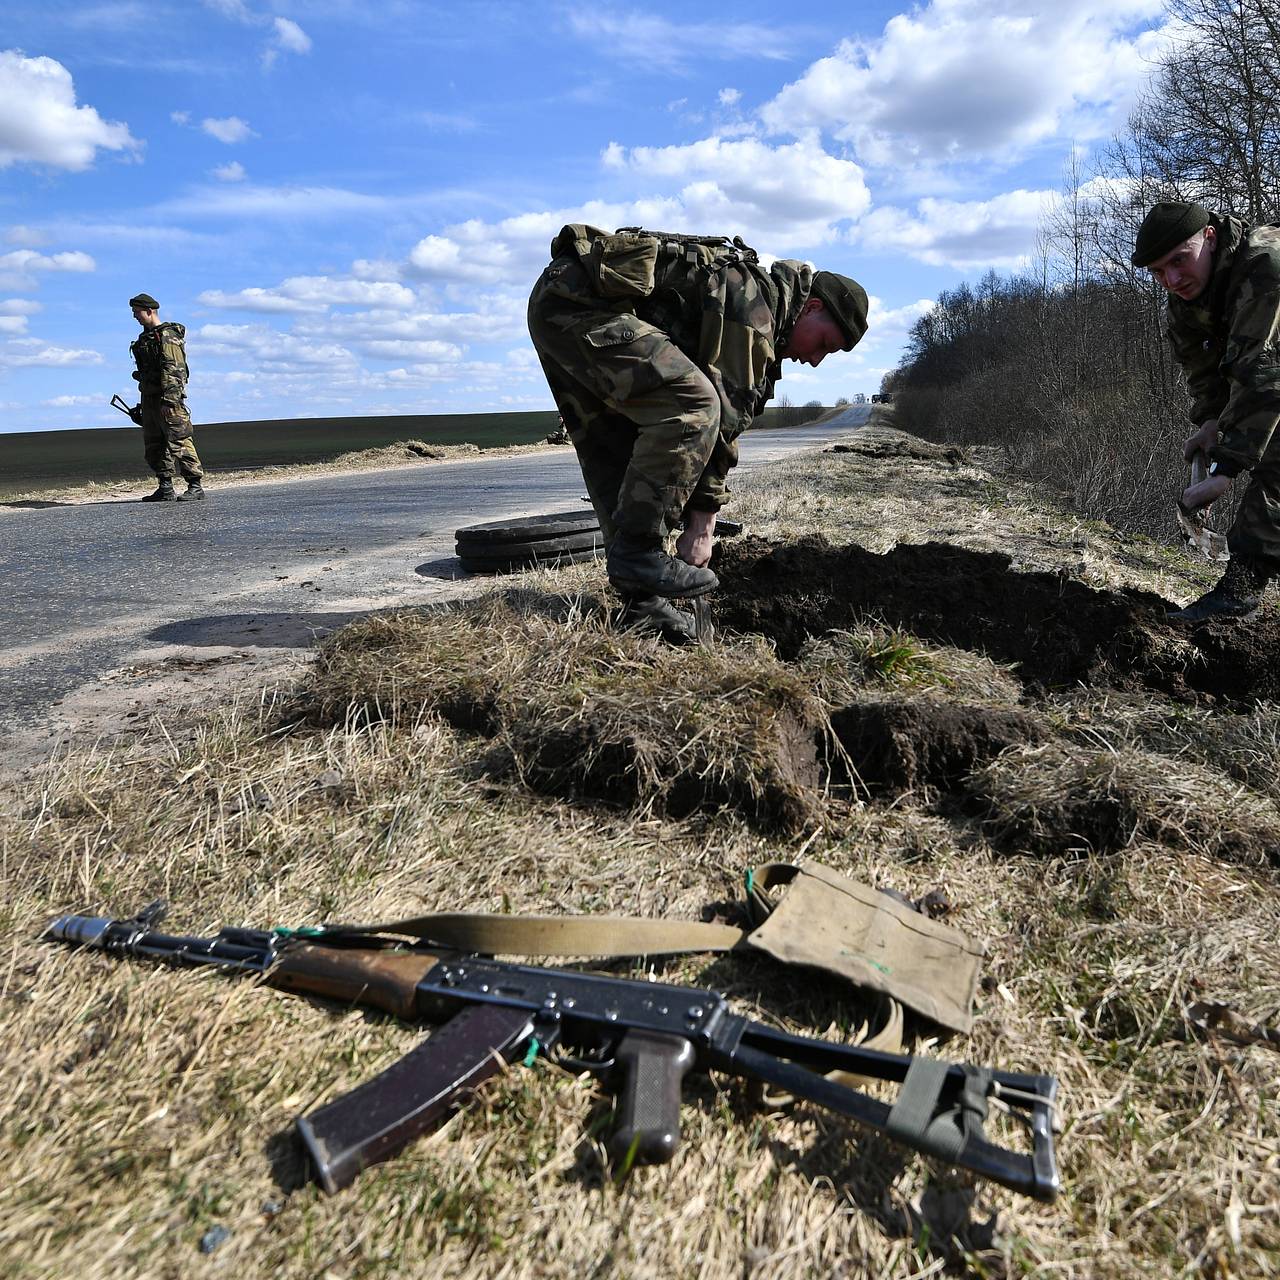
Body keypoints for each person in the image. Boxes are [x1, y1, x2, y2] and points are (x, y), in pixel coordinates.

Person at [527, 224, 868, 642]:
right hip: (577, 305)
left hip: (558, 302)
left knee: (621, 448)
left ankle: (643, 603)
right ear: (812, 307)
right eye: (824, 345)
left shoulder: (765, 319)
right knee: (694, 404)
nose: (815, 360)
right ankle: (639, 554)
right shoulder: (754, 308)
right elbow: (722, 417)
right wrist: (702, 526)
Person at [1133, 200, 1280, 620]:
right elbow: (1204, 370)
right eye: (1159, 272)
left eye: (1180, 260)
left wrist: (1226, 471)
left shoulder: (1266, 265)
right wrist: (1212, 420)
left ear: (1210, 237)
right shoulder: (1185, 299)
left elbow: (1262, 374)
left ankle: (1239, 593)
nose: (1172, 279)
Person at [128, 292, 205, 502]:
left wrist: (170, 401)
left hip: (167, 400)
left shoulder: (168, 336)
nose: (135, 316)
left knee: (179, 440)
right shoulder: (146, 338)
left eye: (137, 312)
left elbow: (175, 370)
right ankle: (165, 487)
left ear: (149, 311)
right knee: (154, 444)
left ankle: (195, 486)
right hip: (150, 399)